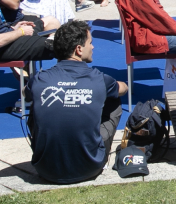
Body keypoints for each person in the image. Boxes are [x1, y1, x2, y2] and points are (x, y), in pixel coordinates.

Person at [26, 20, 129, 184]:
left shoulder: (40, 79)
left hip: (45, 169)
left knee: (36, 103)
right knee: (114, 100)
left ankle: (50, 151)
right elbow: (123, 88)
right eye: (90, 43)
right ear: (79, 49)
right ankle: (95, 150)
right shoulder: (99, 79)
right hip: (89, 167)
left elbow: (26, 93)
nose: (93, 47)